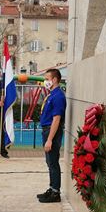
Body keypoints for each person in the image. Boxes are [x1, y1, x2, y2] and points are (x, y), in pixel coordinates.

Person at [36, 68, 66, 203]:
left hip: (51, 131)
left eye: (47, 79)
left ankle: (55, 193)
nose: (45, 81)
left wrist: (49, 140)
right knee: (49, 162)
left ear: (54, 80)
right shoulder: (52, 94)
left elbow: (57, 119)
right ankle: (52, 187)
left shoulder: (58, 96)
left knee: (53, 162)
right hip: (46, 130)